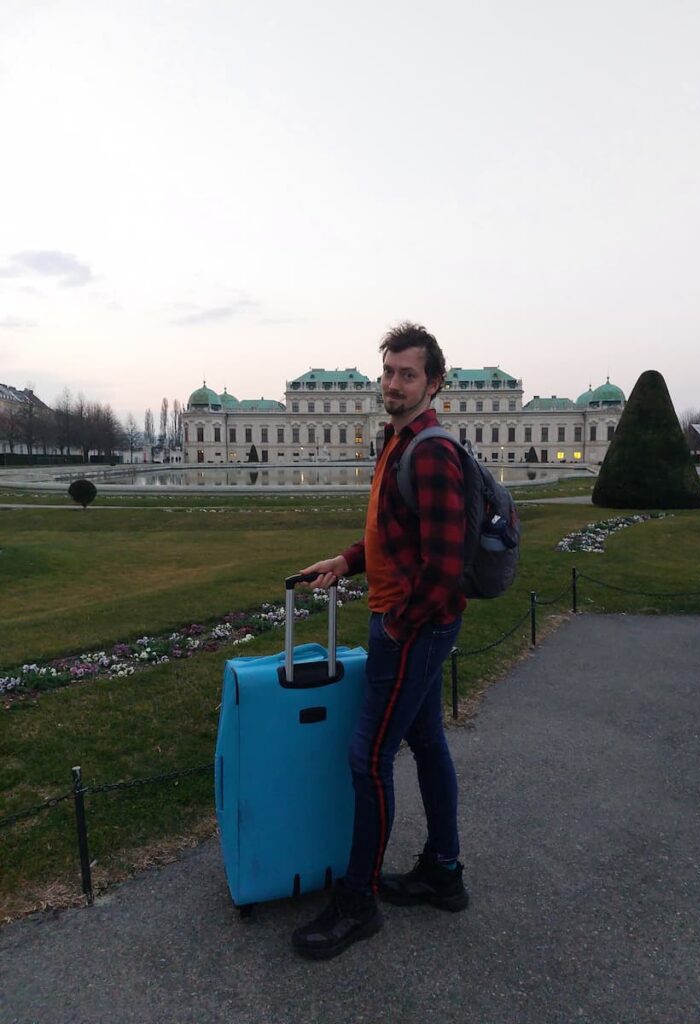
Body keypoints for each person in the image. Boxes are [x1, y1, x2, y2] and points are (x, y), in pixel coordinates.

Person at [292, 321, 468, 960]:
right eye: (388, 372)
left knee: (368, 759)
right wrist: (346, 561)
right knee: (424, 742)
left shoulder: (432, 450)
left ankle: (357, 902)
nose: (393, 383)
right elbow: (391, 535)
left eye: (407, 373)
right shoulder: (396, 441)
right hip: (403, 620)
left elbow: (445, 568)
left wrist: (397, 626)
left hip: (411, 627)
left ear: (433, 382)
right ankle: (443, 873)